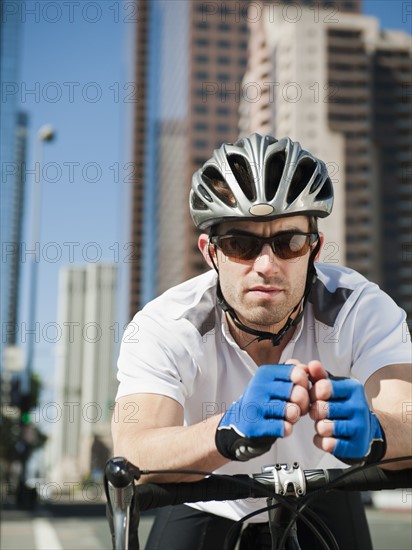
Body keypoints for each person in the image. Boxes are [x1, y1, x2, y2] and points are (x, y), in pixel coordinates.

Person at [111, 134, 411, 549]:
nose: (266, 266)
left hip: (322, 491)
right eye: (241, 244)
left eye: (288, 243)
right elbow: (133, 448)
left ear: (315, 248)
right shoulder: (165, 323)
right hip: (204, 499)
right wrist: (225, 430)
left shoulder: (360, 308)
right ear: (210, 252)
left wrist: (378, 432)